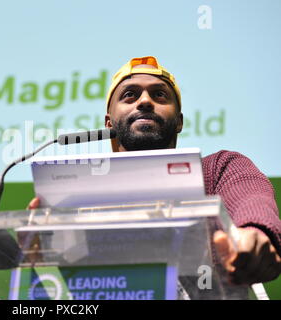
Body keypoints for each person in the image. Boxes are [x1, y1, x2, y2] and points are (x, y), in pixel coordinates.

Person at [28, 56, 281, 288]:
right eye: (130, 95)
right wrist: (42, 251)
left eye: (160, 95)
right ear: (109, 123)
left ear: (179, 121)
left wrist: (254, 233)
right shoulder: (80, 194)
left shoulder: (219, 168)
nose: (145, 101)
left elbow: (251, 197)